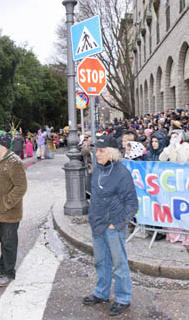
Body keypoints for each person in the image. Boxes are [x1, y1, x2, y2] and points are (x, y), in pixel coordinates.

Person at [83, 135, 138, 316]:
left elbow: (132, 204)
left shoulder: (122, 173)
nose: (97, 154)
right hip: (97, 224)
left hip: (113, 226)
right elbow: (95, 197)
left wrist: (117, 223)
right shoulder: (98, 169)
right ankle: (102, 292)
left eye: (101, 151)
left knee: (119, 264)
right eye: (96, 150)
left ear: (112, 153)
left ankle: (123, 298)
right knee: (101, 261)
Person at [0, 132, 28, 288]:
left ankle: (9, 273)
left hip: (9, 212)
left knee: (9, 242)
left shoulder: (14, 162)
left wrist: (6, 203)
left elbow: (21, 187)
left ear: (2, 145)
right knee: (2, 239)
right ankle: (2, 268)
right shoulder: (0, 160)